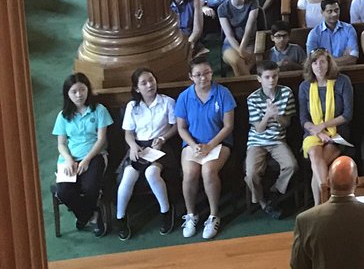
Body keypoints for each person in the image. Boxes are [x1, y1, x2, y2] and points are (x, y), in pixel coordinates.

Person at [175, 59, 236, 240]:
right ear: (191, 77)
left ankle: (213, 215)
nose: (203, 78)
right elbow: (181, 128)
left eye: (207, 73)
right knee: (190, 173)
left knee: (208, 171)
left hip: (219, 143)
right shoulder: (184, 97)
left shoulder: (223, 93)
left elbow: (228, 126)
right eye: (198, 74)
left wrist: (210, 145)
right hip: (193, 144)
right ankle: (191, 214)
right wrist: (194, 145)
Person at [114, 69, 176, 239]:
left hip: (160, 145)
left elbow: (175, 126)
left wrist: (163, 138)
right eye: (144, 83)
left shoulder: (167, 102)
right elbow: (128, 133)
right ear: (136, 88)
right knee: (128, 176)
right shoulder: (132, 107)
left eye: (151, 80)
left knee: (151, 173)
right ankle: (121, 217)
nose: (150, 85)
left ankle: (166, 211)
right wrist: (133, 146)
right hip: (139, 146)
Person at [52, 72, 114, 236]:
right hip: (70, 158)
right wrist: (69, 159)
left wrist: (86, 160)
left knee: (90, 188)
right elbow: (61, 144)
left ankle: (83, 216)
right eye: (74, 92)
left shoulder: (99, 110)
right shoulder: (63, 115)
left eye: (82, 90)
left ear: (88, 90)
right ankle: (91, 215)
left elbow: (101, 140)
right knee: (64, 192)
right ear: (67, 94)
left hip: (95, 156)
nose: (79, 95)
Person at [300, 48, 354, 206]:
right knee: (315, 157)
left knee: (317, 162)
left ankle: (319, 206)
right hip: (312, 133)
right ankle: (327, 202)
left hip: (337, 133)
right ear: (310, 65)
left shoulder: (343, 81)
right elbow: (303, 119)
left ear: (329, 63)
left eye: (322, 61)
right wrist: (317, 131)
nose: (319, 66)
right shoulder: (305, 86)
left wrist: (323, 127)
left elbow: (347, 115)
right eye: (315, 62)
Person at [245, 59, 297, 217]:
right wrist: (267, 116)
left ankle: (276, 190)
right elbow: (259, 129)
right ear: (259, 78)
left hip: (277, 139)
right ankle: (262, 202)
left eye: (274, 76)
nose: (272, 80)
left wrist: (278, 116)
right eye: (267, 77)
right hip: (257, 141)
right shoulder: (252, 99)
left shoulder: (286, 93)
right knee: (251, 172)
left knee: (291, 166)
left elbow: (286, 123)